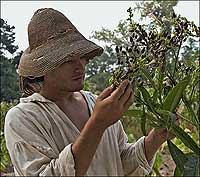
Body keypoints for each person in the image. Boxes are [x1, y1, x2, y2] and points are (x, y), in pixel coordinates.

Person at [5, 8, 173, 176]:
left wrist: (155, 139)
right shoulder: (23, 118)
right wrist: (97, 124)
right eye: (68, 60)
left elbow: (118, 162)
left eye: (82, 57)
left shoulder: (95, 103)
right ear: (44, 68)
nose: (80, 66)